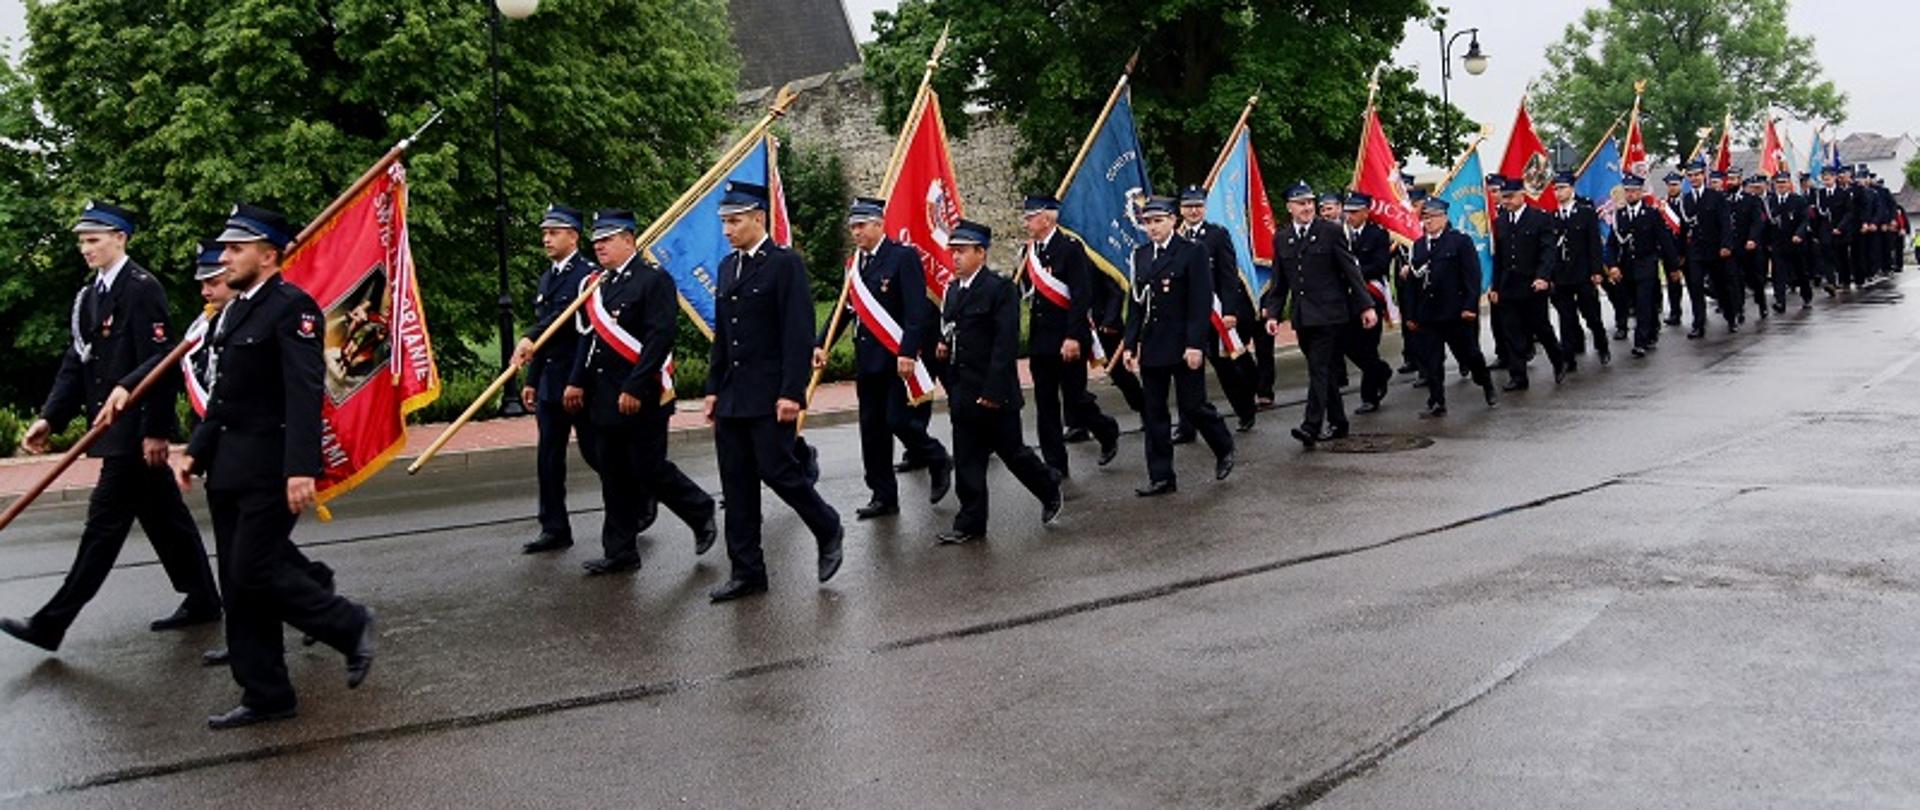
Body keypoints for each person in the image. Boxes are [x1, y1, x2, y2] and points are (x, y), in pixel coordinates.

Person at [185, 204, 376, 729]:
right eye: (225, 249)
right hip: (228, 466)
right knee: (237, 582)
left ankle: (349, 623)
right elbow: (224, 395)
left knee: (253, 572)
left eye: (235, 249)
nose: (225, 258)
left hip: (271, 467)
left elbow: (303, 391)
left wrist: (301, 469)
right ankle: (265, 692)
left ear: (268, 255)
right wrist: (197, 450)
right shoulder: (235, 311)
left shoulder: (294, 308)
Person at [0, 202, 222, 654]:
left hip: (134, 431)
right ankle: (202, 597)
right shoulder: (89, 297)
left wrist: (156, 430)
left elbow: (162, 361)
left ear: (120, 238)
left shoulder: (142, 289)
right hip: (110, 431)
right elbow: (75, 362)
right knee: (166, 520)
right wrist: (50, 417)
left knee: (102, 529)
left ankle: (51, 622)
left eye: (95, 238)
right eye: (82, 240)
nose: (86, 247)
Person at [704, 182, 844, 603]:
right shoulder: (729, 267)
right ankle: (747, 572)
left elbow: (797, 333)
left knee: (778, 470)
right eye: (724, 222)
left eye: (735, 221)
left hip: (769, 393)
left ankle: (827, 525)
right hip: (732, 395)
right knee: (736, 484)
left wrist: (792, 392)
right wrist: (712, 388)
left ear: (759, 218)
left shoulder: (785, 265)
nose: (727, 230)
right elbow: (723, 336)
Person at [564, 209, 718, 575]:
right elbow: (590, 341)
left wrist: (634, 385)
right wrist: (576, 380)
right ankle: (620, 551)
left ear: (629, 240)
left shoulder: (653, 280)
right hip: (603, 396)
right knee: (613, 474)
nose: (599, 245)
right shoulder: (599, 285)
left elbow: (659, 336)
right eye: (596, 240)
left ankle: (699, 509)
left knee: (648, 469)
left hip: (642, 396)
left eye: (608, 239)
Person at [813, 197, 954, 519]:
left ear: (879, 224)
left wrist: (908, 351)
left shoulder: (902, 257)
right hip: (868, 360)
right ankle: (883, 495)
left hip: (896, 358)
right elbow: (843, 311)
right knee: (871, 429)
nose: (856, 232)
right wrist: (822, 343)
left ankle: (935, 457)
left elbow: (917, 310)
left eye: (861, 226)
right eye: (852, 227)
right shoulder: (855, 265)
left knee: (898, 420)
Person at [933, 220, 1063, 543]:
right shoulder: (952, 290)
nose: (956, 257)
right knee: (967, 460)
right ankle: (970, 524)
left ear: (981, 252)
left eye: (962, 251)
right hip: (963, 391)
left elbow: (1005, 344)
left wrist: (992, 390)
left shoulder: (1000, 289)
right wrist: (943, 350)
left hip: (995, 393)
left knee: (1014, 453)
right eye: (953, 251)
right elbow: (952, 331)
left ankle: (1048, 488)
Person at [508, 204, 626, 555]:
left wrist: (576, 381)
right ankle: (554, 527)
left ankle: (633, 506)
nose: (546, 239)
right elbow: (546, 340)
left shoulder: (588, 276)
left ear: (573, 236)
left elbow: (579, 331)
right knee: (548, 458)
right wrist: (533, 380)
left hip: (580, 383)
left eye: (554, 232)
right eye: (544, 233)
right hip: (550, 384)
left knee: (597, 454)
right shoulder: (548, 277)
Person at [1125, 197, 1235, 493]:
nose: (1153, 227)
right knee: (1154, 412)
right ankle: (1161, 476)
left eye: (1158, 221)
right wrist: (1129, 344)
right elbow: (1136, 303)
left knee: (1193, 406)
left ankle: (1223, 446)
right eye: (1147, 222)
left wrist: (1195, 344)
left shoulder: (1192, 252)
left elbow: (1200, 302)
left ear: (1173, 220)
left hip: (1184, 343)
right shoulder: (1140, 255)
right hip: (1153, 345)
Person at [1264, 183, 1377, 448]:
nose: (1306, 208)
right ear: (1289, 207)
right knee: (1321, 370)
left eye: (1310, 203)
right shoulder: (1282, 238)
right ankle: (1338, 422)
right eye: (1300, 203)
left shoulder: (1330, 232)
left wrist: (1366, 305)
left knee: (1319, 368)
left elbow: (1351, 271)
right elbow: (1279, 281)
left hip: (1330, 314)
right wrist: (1272, 314)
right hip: (1303, 317)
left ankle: (1311, 425)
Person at [1017, 194, 1121, 478]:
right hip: (1041, 341)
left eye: (1030, 217)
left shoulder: (1071, 249)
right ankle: (1055, 466)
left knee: (1075, 399)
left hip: (1067, 337)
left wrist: (1074, 336)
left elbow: (1081, 295)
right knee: (1046, 404)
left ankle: (1105, 429)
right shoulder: (1029, 252)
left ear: (1048, 218)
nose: (1026, 222)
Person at [1177, 185, 1259, 431]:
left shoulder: (1217, 235)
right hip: (1185, 316)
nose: (1193, 211)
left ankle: (1245, 410)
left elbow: (1227, 276)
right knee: (1187, 370)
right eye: (1189, 206)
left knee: (1225, 366)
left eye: (1198, 206)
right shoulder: (1175, 238)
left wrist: (1230, 311)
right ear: (1181, 209)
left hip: (1213, 313)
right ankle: (1187, 424)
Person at [1405, 199, 1498, 416]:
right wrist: (1410, 314)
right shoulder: (1418, 246)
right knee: (1432, 360)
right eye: (1425, 218)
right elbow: (1412, 284)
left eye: (1432, 217)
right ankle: (1437, 401)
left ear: (1444, 218)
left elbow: (1472, 277)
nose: (1428, 222)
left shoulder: (1460, 242)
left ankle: (1486, 384)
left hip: (1455, 312)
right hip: (1428, 314)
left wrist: (1470, 306)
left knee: (1470, 355)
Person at [1491, 177, 1569, 390]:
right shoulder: (1500, 222)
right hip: (1508, 285)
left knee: (1540, 327)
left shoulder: (1539, 218)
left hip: (1532, 283)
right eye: (1503, 197)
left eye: (1510, 196)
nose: (1505, 201)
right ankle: (1518, 376)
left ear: (1522, 195)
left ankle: (1558, 360)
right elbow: (1499, 257)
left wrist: (1543, 277)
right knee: (1511, 331)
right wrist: (1495, 287)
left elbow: (1547, 251)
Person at [1607, 176, 1681, 358]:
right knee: (1632, 302)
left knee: (1644, 303)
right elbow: (1611, 244)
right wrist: (1612, 266)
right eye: (1627, 191)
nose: (1630, 194)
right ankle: (1652, 328)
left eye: (1633, 191)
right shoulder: (1619, 215)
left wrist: (1673, 267)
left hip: (1646, 264)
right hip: (1627, 267)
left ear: (1640, 192)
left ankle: (1640, 342)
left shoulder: (1652, 214)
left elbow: (1665, 242)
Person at [1337, 192, 1395, 413]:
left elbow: (1380, 265)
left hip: (1370, 296)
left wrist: (1353, 272)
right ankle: (1380, 370)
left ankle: (1369, 397)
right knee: (1347, 345)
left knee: (1368, 347)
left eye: (1354, 212)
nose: (1349, 216)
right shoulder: (1339, 234)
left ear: (1366, 212)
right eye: (1347, 212)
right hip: (1346, 299)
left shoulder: (1377, 234)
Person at [1548, 174, 1610, 368]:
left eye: (1563, 188)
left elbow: (1594, 244)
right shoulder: (1552, 217)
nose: (1559, 192)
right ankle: (1569, 357)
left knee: (1591, 315)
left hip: (1583, 273)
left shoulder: (1585, 213)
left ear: (1572, 189)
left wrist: (1597, 270)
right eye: (1556, 189)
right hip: (1562, 275)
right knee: (1566, 318)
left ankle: (1602, 346)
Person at [1766, 172, 1812, 311]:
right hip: (1778, 243)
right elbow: (1767, 223)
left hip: (1795, 242)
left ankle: (1806, 296)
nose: (1781, 186)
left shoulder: (1798, 200)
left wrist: (1799, 234)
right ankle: (1780, 301)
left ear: (1789, 184)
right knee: (1778, 274)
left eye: (1784, 183)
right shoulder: (1769, 202)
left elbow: (1805, 219)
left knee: (1801, 272)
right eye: (1778, 183)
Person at [1729, 173, 1770, 320]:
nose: (1730, 181)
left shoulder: (1752, 200)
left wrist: (1752, 239)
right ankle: (1738, 308)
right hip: (1733, 247)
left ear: (1739, 180)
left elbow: (1757, 221)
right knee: (1735, 279)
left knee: (1755, 279)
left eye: (1733, 179)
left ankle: (1762, 304)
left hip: (1749, 246)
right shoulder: (1724, 200)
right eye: (1728, 179)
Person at [1662, 171, 1690, 325]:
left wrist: (1683, 252)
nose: (1672, 188)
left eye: (1675, 185)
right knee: (1673, 284)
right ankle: (1675, 313)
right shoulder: (1663, 205)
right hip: (1669, 251)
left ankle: (1699, 315)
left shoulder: (1687, 202)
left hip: (1686, 251)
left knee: (1693, 284)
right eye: (1669, 185)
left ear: (1681, 185)